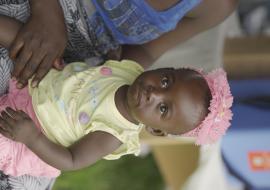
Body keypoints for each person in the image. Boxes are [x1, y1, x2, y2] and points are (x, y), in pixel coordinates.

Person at [0, 14, 233, 178]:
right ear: (166, 69)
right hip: (37, 84)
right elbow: (139, 52)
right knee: (21, 37)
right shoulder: (131, 70)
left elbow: (72, 160)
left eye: (163, 109)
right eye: (165, 81)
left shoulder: (114, 132)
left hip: (34, 130)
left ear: (155, 131)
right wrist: (111, 53)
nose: (155, 94)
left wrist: (31, 137)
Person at [0, 0, 238, 89]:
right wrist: (47, 10)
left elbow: (145, 51)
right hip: (37, 13)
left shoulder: (217, 6)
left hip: (71, 63)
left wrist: (108, 80)